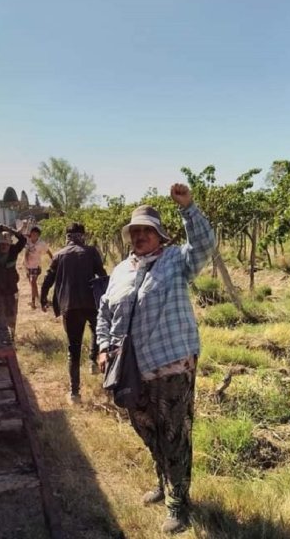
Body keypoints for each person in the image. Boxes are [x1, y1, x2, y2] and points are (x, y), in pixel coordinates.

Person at [96, 185, 215, 535]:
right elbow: (104, 312)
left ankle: (179, 501)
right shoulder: (120, 271)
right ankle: (164, 481)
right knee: (147, 430)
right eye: (135, 231)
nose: (140, 236)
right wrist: (103, 347)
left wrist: (189, 208)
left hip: (172, 364)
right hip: (132, 369)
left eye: (147, 230)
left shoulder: (177, 260)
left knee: (174, 433)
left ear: (160, 235)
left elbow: (205, 246)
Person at [41, 223, 107, 403]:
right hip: (91, 302)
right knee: (98, 332)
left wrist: (42, 297)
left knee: (73, 348)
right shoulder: (91, 252)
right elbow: (102, 275)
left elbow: (48, 278)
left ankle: (74, 393)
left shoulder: (59, 255)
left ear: (67, 236)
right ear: (83, 235)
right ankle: (94, 362)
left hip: (69, 306)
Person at [23, 227, 53, 309]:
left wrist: (53, 260)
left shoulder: (41, 243)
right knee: (32, 283)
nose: (34, 236)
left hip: (36, 266)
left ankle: (33, 302)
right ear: (30, 234)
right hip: (27, 265)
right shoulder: (27, 240)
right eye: (32, 234)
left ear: (38, 236)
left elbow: (48, 251)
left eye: (36, 235)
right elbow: (20, 235)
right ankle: (37, 298)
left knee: (33, 282)